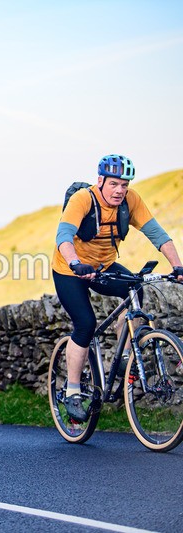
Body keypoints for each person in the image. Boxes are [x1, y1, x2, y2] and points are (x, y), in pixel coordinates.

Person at [53, 154, 183, 421]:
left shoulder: (130, 200)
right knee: (85, 324)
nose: (119, 190)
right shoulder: (83, 199)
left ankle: (125, 357)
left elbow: (157, 234)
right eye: (114, 184)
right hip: (70, 269)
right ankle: (73, 391)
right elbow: (63, 236)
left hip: (104, 265)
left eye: (124, 185)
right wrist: (75, 263)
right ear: (100, 181)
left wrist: (178, 266)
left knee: (135, 289)